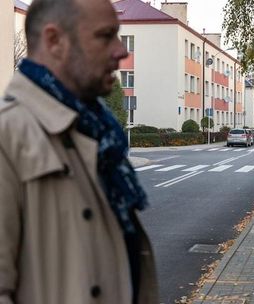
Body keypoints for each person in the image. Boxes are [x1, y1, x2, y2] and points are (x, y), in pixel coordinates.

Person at [0, 0, 157, 303]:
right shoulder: (8, 137)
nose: (121, 51)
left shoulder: (96, 133)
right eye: (105, 35)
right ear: (54, 40)